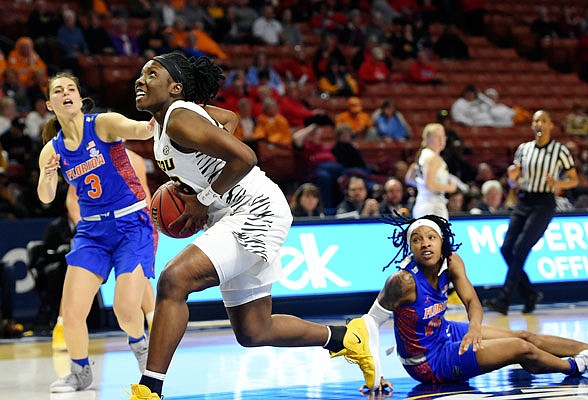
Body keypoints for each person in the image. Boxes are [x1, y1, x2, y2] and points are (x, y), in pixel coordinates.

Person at [128, 52, 380, 399]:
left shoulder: (178, 118)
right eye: (141, 75)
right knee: (253, 330)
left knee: (174, 280)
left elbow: (246, 157)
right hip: (233, 212)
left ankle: (148, 390)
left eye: (151, 74)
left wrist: (202, 198)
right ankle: (345, 337)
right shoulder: (170, 120)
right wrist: (207, 182)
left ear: (175, 87)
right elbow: (229, 118)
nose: (141, 80)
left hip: (255, 209)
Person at [360, 214, 588, 387]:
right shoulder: (403, 282)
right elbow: (369, 323)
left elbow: (472, 303)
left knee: (525, 335)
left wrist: (475, 329)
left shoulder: (452, 262)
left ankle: (586, 350)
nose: (425, 243)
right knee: (521, 348)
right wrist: (375, 374)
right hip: (427, 362)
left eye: (431, 238)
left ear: (442, 242)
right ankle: (575, 365)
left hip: (444, 332)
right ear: (410, 247)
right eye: (417, 240)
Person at [37, 72, 156, 392]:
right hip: (92, 232)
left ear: (79, 97)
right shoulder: (52, 150)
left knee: (125, 310)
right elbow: (46, 196)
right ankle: (79, 372)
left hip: (131, 224)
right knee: (72, 312)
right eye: (58, 91)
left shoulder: (102, 123)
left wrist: (158, 117)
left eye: (71, 88)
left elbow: (139, 129)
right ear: (50, 104)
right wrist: (48, 178)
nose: (66, 94)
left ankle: (143, 349)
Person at [484, 110, 579, 316]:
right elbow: (514, 182)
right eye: (536, 121)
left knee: (520, 249)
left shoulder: (559, 150)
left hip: (544, 203)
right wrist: (511, 179)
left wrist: (558, 183)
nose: (539, 124)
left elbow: (574, 179)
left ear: (550, 125)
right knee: (506, 248)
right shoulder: (523, 149)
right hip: (524, 199)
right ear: (532, 126)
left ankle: (504, 299)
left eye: (544, 121)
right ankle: (530, 293)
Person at [405, 123, 457, 220]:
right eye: (437, 137)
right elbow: (430, 185)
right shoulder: (432, 157)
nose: (441, 140)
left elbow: (409, 179)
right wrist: (450, 187)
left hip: (422, 204)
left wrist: (422, 186)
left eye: (443, 136)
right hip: (432, 207)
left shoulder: (422, 154)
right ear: (427, 139)